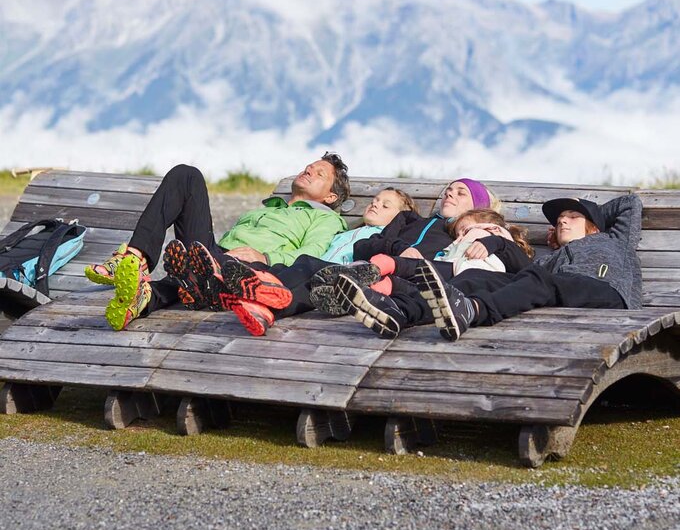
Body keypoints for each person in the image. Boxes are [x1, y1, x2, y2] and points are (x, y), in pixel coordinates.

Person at [84, 153, 350, 330]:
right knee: (186, 175)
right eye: (309, 167)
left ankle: (149, 296)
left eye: (320, 174)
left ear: (330, 197)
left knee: (197, 272)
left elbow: (313, 254)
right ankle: (135, 257)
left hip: (249, 272)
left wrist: (266, 257)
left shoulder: (325, 218)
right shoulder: (270, 208)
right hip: (213, 256)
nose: (309, 170)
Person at [170, 187, 419, 335]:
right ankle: (222, 291)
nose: (375, 205)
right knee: (281, 268)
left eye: (385, 205)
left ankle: (227, 288)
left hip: (338, 276)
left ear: (400, 217)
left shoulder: (386, 238)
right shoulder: (344, 231)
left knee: (306, 265)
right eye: (375, 201)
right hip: (307, 271)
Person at [407, 194, 642, 341]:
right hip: (561, 294)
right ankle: (406, 311)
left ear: (594, 226)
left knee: (540, 279)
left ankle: (473, 310)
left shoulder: (614, 239)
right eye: (560, 218)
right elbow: (522, 278)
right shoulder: (548, 261)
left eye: (573, 216)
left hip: (608, 293)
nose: (562, 220)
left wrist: (591, 211)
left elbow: (630, 203)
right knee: (477, 276)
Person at [329, 207, 533, 338]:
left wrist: (494, 242)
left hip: (472, 277)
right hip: (454, 274)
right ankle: (382, 293)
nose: (460, 237)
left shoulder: (495, 236)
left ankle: (382, 279)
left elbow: (524, 268)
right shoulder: (461, 242)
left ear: (492, 227)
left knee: (425, 280)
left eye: (465, 230)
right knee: (425, 280)